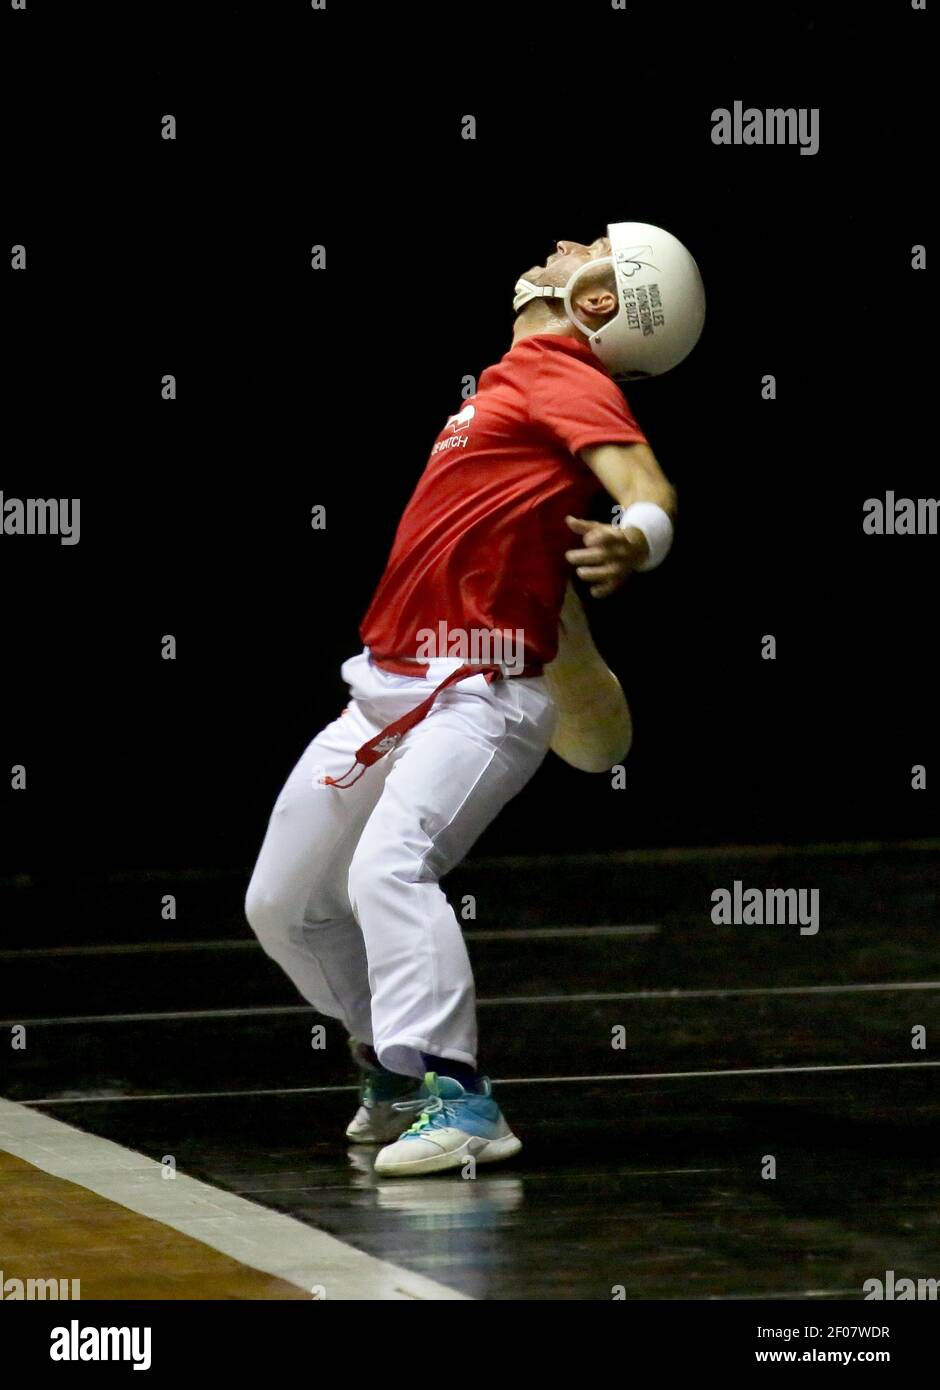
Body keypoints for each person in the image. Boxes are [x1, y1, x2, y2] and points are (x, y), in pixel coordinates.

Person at [245, 227, 695, 1177]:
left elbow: (645, 487)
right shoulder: (502, 385)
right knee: (283, 903)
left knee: (388, 870)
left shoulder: (558, 369)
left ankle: (463, 1100)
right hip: (382, 689)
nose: (568, 241)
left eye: (594, 246)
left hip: (479, 696)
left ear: (605, 302)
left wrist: (638, 539)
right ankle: (393, 1071)